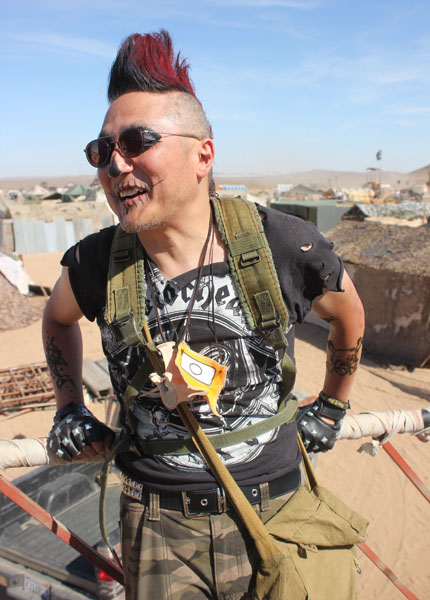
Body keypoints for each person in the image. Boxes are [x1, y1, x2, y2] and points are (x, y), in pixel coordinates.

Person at [43, 30, 365, 600]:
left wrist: (334, 408)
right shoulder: (96, 262)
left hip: (277, 515)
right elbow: (56, 318)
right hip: (156, 528)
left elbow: (349, 314)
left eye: (137, 142)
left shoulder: (280, 243)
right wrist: (69, 408)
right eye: (102, 150)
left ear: (203, 155)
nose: (115, 165)